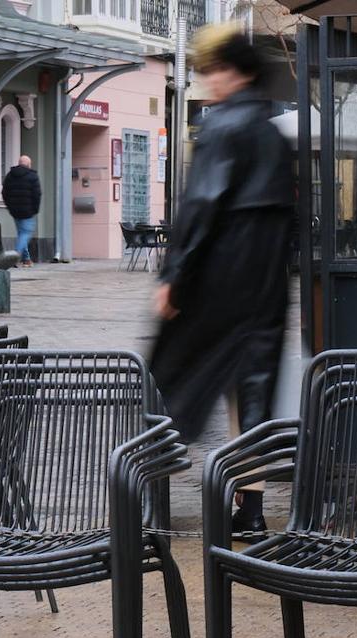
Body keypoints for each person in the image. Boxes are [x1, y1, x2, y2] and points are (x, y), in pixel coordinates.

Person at [147, 23, 294, 535]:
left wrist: (173, 277)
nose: (208, 78)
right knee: (251, 393)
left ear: (239, 74)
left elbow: (201, 207)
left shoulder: (222, 126)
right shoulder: (274, 134)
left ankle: (149, 499)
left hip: (218, 280)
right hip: (267, 283)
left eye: (215, 68)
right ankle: (250, 512)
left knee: (168, 379)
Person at [0, 154, 42, 267]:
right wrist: (35, 209)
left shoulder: (10, 175)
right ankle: (14, 257)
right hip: (28, 211)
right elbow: (37, 194)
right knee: (26, 233)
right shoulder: (32, 176)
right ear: (28, 164)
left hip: (15, 211)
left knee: (21, 234)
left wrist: (10, 206)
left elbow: (4, 193)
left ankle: (26, 259)